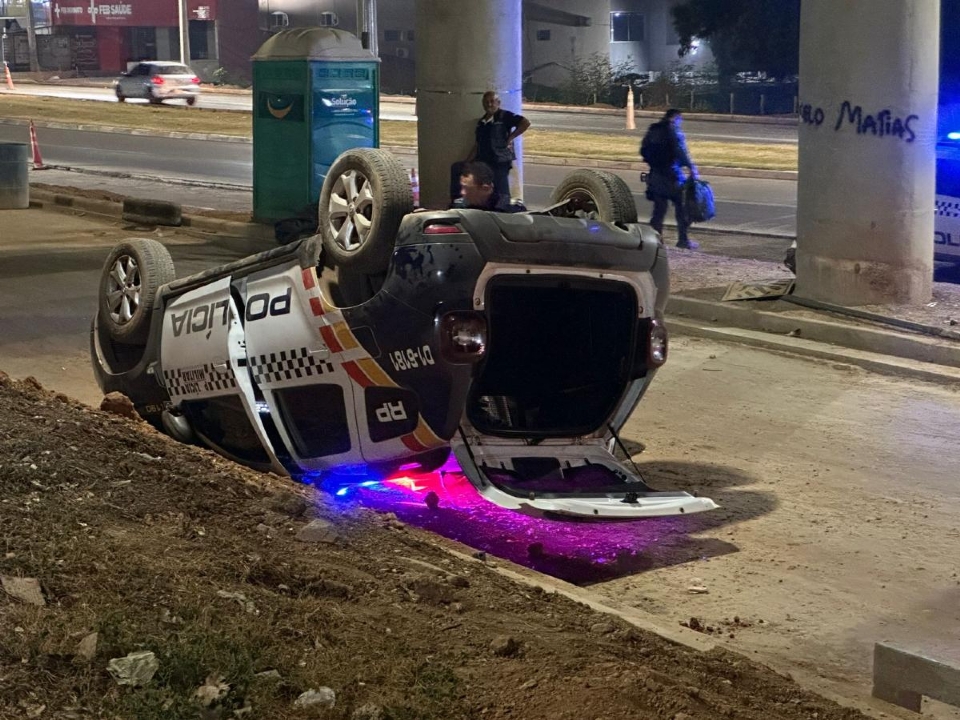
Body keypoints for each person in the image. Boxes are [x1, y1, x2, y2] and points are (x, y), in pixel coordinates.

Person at [451, 91, 531, 203]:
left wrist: (510, 138)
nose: (489, 104)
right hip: (483, 161)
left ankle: (503, 209)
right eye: (486, 102)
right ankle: (458, 201)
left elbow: (525, 123)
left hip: (499, 161)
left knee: (502, 193)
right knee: (457, 168)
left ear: (498, 103)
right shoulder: (482, 122)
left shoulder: (504, 116)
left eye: (492, 101)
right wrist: (467, 162)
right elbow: (477, 144)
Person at [640, 108, 700, 249]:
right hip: (672, 175)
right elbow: (681, 151)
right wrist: (691, 168)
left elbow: (643, 150)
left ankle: (655, 240)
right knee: (681, 207)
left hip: (655, 174)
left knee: (659, 210)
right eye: (680, 119)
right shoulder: (674, 131)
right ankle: (683, 240)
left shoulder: (653, 129)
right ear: (675, 118)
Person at [452, 161, 527, 213]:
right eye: (462, 187)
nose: (462, 192)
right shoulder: (459, 208)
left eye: (467, 189)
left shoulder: (510, 210)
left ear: (486, 189)